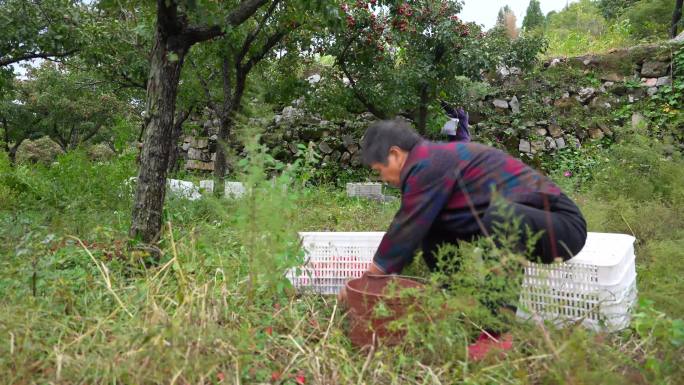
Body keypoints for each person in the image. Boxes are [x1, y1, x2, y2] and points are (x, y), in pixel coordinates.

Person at [340, 119, 587, 359]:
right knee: (431, 227)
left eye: (379, 170)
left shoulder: (427, 163)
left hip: (562, 227)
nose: (383, 178)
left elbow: (404, 228)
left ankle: (497, 334)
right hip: (526, 223)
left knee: (500, 216)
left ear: (394, 154)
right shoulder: (431, 160)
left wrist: (367, 281)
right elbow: (415, 228)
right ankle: (457, 303)